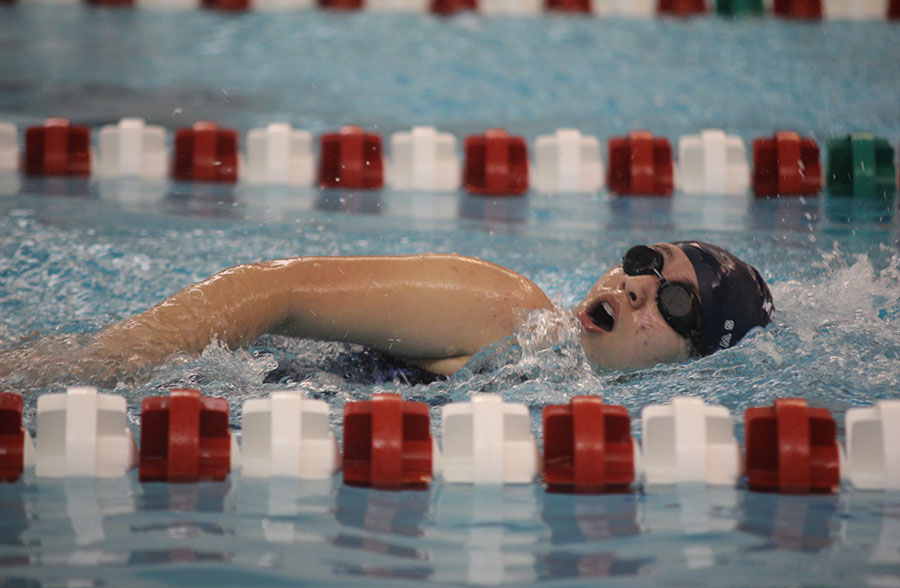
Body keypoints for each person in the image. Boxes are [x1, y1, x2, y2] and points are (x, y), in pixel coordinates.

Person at [0, 241, 774, 385]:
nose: (639, 286)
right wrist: (92, 366)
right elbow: (273, 289)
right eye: (644, 262)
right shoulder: (507, 312)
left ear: (695, 361)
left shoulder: (567, 388)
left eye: (676, 301)